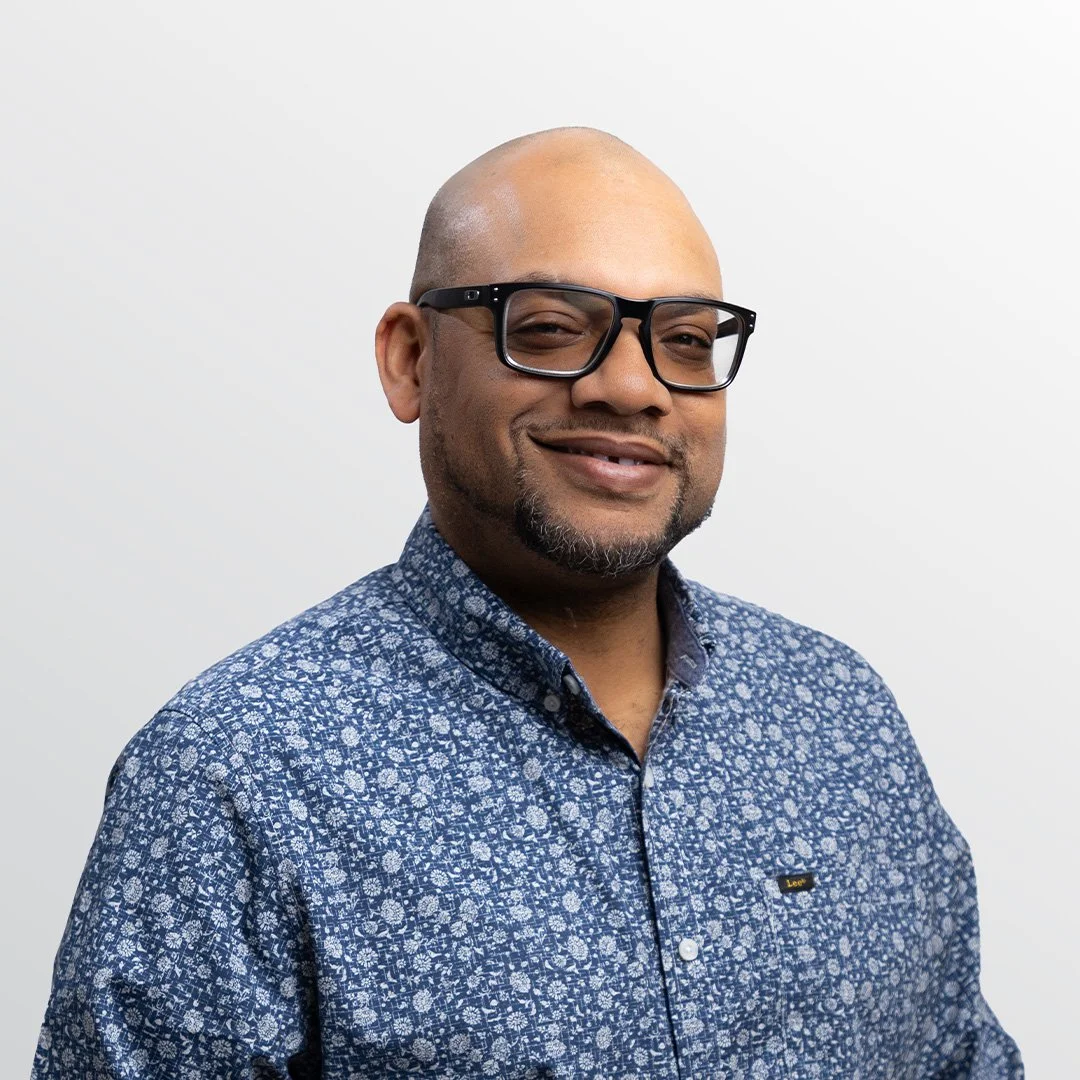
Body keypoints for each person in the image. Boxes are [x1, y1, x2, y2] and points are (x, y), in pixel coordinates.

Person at [30, 126, 1023, 1079]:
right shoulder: (235, 775)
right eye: (550, 327)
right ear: (410, 359)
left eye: (685, 340)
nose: (633, 388)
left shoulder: (838, 718)